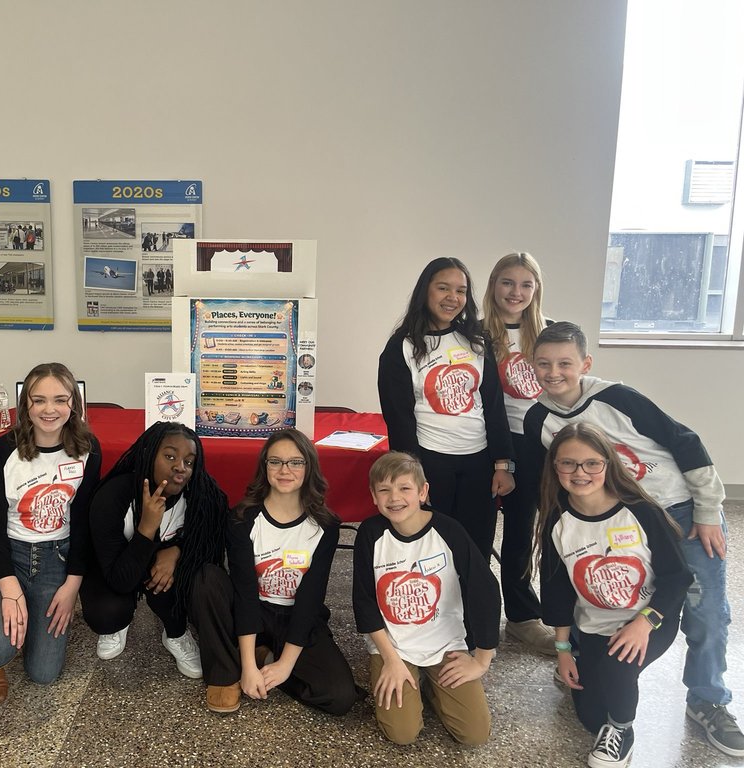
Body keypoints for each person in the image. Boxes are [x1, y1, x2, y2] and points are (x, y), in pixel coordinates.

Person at [524, 321, 744, 758]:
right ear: (532, 367)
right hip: (618, 522)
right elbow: (553, 478)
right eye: (544, 364)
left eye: (565, 363)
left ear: (585, 364)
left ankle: (707, 700)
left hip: (678, 511)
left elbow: (685, 442)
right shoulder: (538, 419)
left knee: (705, 611)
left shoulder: (618, 398)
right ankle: (590, 657)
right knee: (607, 588)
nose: (554, 372)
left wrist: (706, 509)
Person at [535, 423, 692, 768]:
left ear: (607, 463)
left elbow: (677, 578)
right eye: (568, 463)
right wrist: (563, 651)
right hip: (594, 626)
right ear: (554, 467)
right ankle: (604, 690)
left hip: (650, 620)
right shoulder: (557, 521)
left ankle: (623, 731)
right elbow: (557, 590)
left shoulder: (641, 511)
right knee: (591, 717)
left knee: (618, 672)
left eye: (592, 463)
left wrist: (643, 623)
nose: (580, 472)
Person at [192, 429, 357, 716]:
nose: (285, 470)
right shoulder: (243, 519)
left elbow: (311, 597)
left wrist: (285, 665)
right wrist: (247, 667)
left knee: (340, 697)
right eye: (275, 462)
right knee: (207, 579)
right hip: (252, 609)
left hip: (297, 615)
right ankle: (226, 673)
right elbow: (244, 593)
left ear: (309, 468)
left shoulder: (325, 526)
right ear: (264, 466)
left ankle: (268, 656)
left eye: (295, 462)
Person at [0, 363, 101, 705]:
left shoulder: (89, 449)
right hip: (6, 553)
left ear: (74, 403)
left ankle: (26, 620)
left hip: (56, 555)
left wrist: (73, 586)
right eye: (38, 400)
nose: (49, 409)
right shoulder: (1, 452)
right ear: (25, 403)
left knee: (44, 673)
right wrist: (9, 589)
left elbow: (84, 520)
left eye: (59, 399)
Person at [353, 451, 498, 746]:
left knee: (474, 734)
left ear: (423, 491)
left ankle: (431, 684)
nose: (395, 497)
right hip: (395, 646)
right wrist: (391, 660)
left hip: (444, 643)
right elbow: (364, 602)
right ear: (373, 496)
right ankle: (410, 675)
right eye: (384, 490)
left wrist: (482, 660)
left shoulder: (449, 531)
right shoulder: (370, 533)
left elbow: (485, 590)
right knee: (402, 734)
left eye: (405, 488)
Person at [377, 257, 515, 560]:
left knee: (475, 546)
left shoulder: (477, 340)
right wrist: (412, 473)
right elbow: (398, 417)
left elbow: (492, 404)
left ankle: (473, 606)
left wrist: (502, 464)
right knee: (433, 547)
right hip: (430, 460)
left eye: (461, 291)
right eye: (443, 288)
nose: (453, 298)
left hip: (478, 461)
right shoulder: (402, 346)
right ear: (425, 290)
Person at [80, 422, 228, 679]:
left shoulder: (202, 495)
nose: (180, 467)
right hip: (117, 565)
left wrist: (177, 551)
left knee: (183, 584)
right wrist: (146, 529)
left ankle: (175, 633)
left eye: (189, 462)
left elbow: (211, 548)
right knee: (107, 613)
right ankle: (121, 624)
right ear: (149, 454)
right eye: (170, 456)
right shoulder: (113, 496)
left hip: (159, 566)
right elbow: (119, 577)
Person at [481, 252, 555, 654]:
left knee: (522, 532)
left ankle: (523, 616)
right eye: (508, 282)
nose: (516, 292)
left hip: (536, 444)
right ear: (494, 285)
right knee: (477, 528)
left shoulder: (551, 332)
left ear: (536, 289)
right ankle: (474, 609)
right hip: (487, 441)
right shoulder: (475, 334)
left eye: (526, 284)